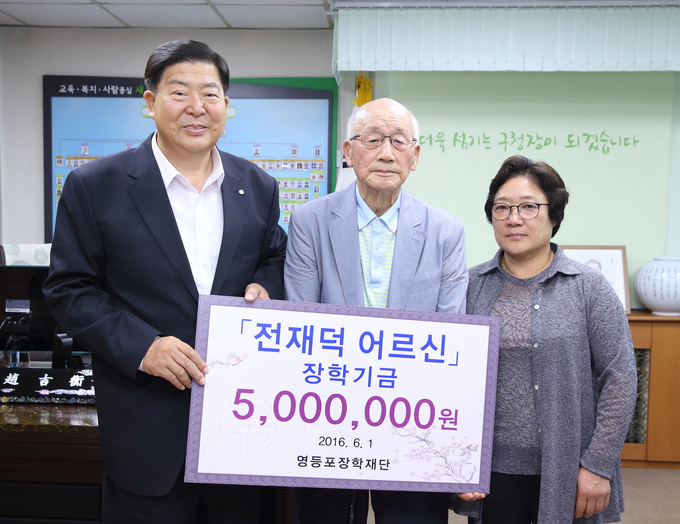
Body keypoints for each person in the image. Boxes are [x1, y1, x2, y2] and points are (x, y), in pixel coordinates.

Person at [43, 40, 286, 523]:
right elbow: (69, 289)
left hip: (239, 429)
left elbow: (271, 256)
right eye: (179, 92)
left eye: (210, 94)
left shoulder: (257, 185)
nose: (197, 107)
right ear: (151, 102)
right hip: (145, 431)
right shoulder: (95, 185)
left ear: (226, 105)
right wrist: (144, 347)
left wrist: (266, 287)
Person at [285, 98, 468, 524]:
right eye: (373, 140)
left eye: (399, 141)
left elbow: (451, 333)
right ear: (349, 152)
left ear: (414, 156)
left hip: (414, 420)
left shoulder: (446, 232)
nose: (386, 153)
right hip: (328, 417)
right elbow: (300, 319)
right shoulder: (309, 221)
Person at [453, 155, 636, 523]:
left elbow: (620, 378)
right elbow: (450, 378)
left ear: (554, 215)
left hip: (570, 467)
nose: (514, 218)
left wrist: (598, 464)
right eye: (502, 208)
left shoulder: (588, 287)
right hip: (491, 469)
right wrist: (456, 458)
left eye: (529, 206)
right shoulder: (469, 286)